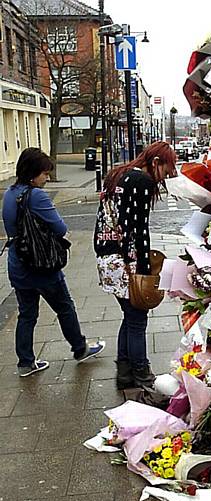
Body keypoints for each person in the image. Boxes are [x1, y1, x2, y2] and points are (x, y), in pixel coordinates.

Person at [2, 147, 105, 377]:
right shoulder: (36, 195)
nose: (47, 179)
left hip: (18, 264)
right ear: (32, 174)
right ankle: (80, 349)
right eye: (45, 174)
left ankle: (25, 363)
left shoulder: (9, 193)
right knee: (64, 307)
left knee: (27, 314)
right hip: (42, 264)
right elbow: (60, 228)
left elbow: (11, 228)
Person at [93, 141, 177, 390]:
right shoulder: (142, 181)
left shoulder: (119, 174)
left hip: (106, 256)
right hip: (123, 260)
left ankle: (125, 373)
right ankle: (141, 372)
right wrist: (144, 269)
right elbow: (138, 231)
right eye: (167, 168)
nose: (167, 175)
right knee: (138, 318)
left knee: (129, 317)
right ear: (155, 163)